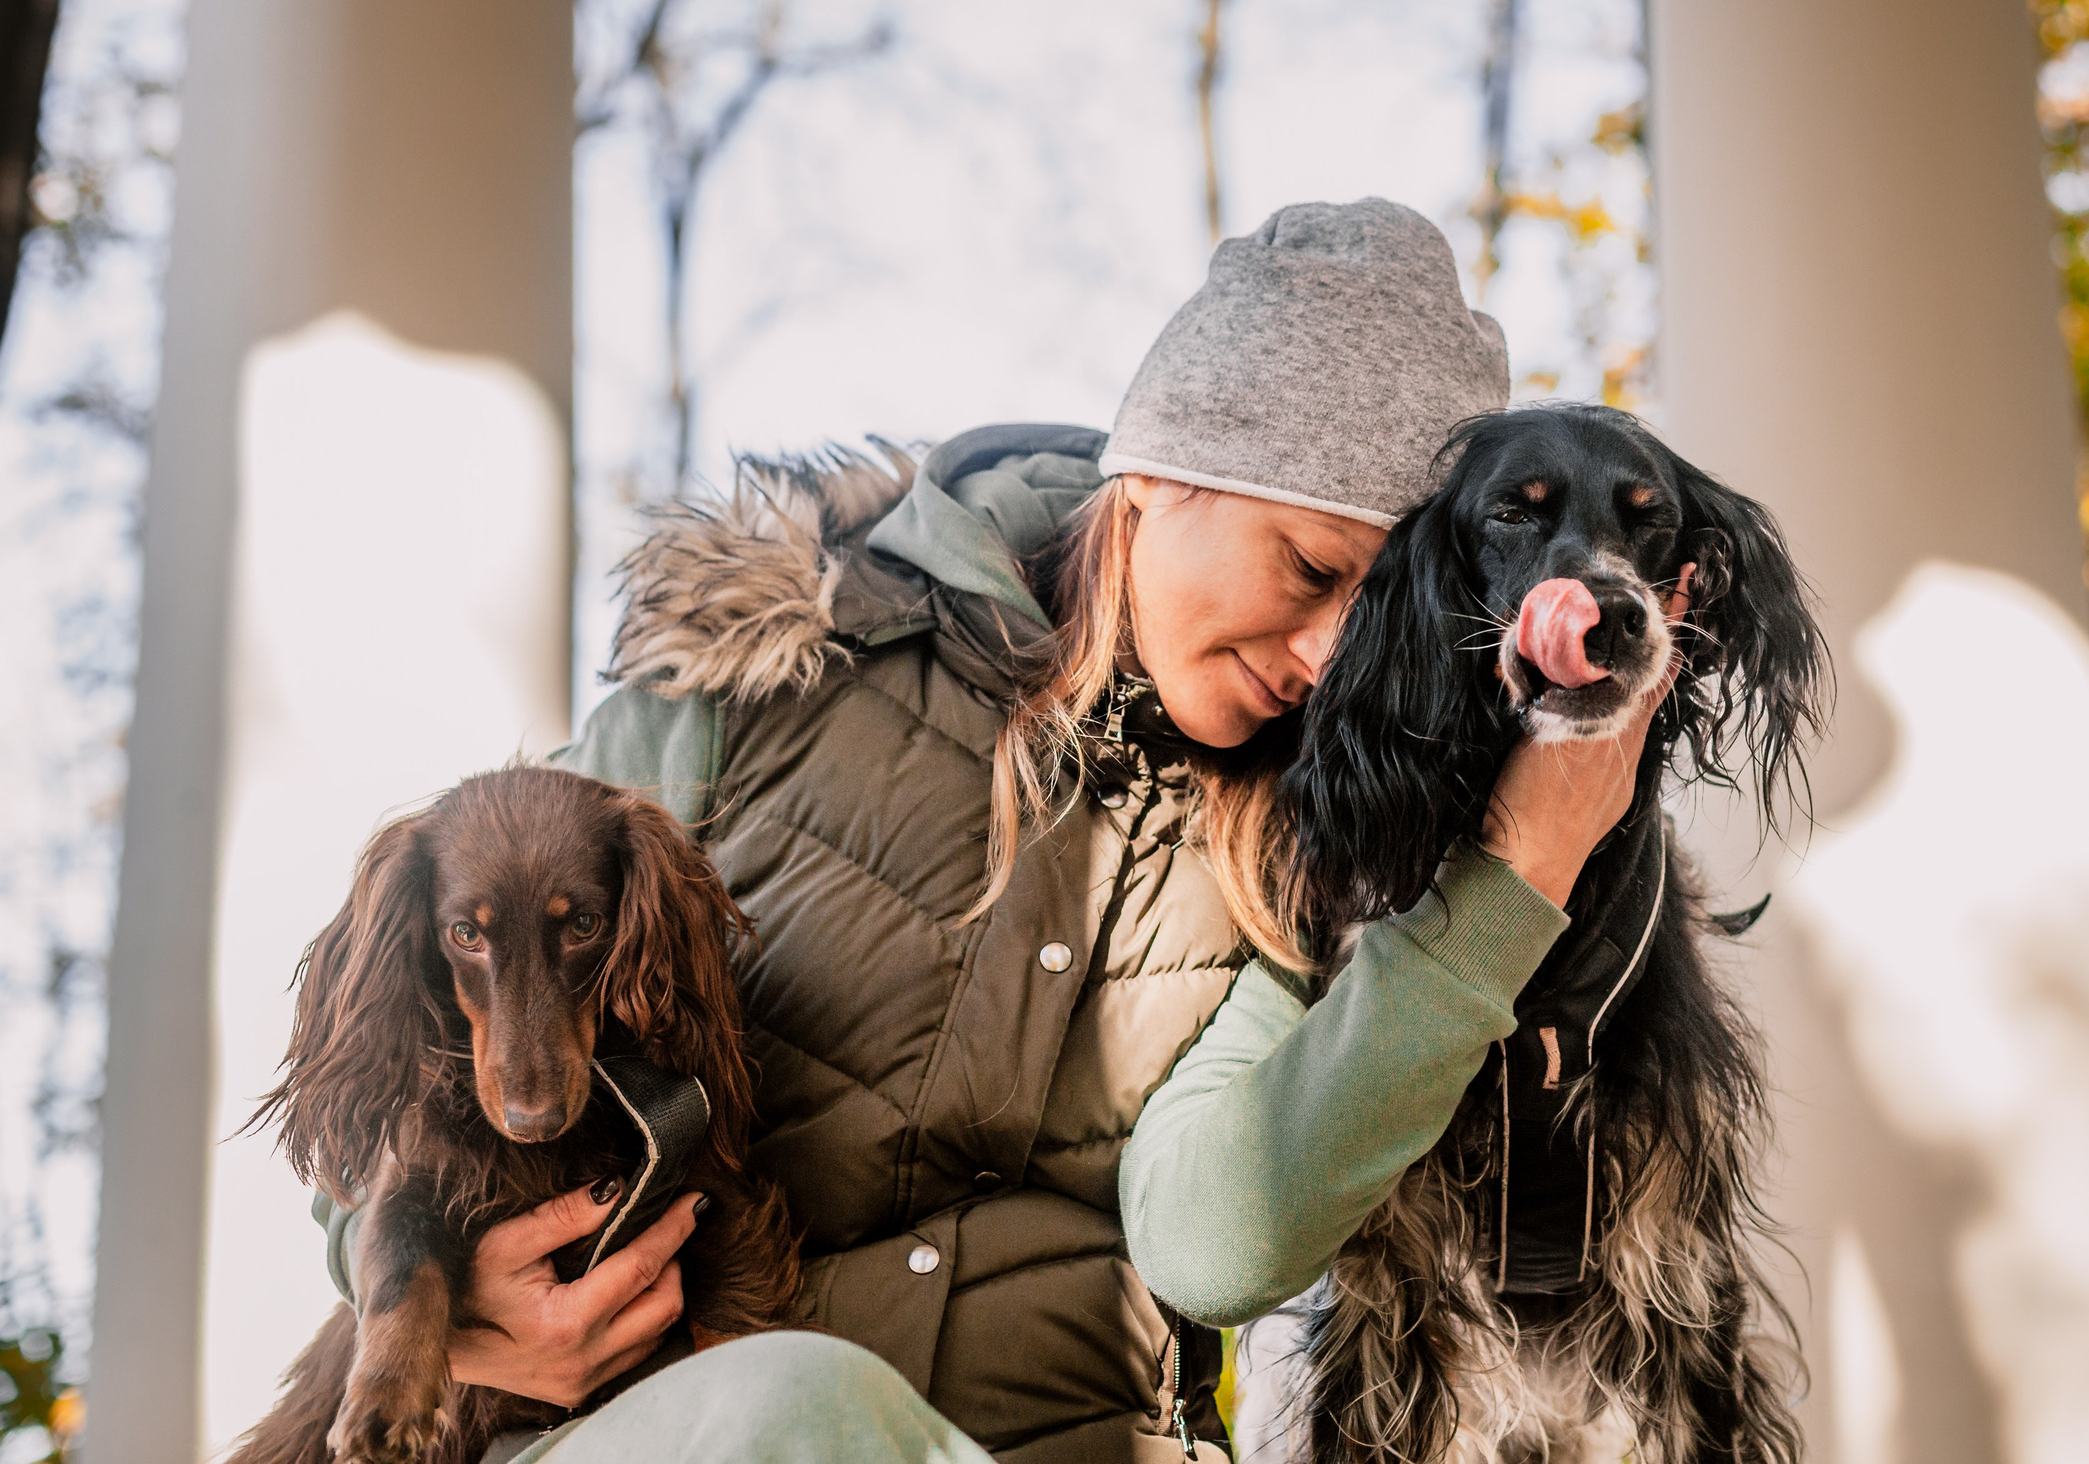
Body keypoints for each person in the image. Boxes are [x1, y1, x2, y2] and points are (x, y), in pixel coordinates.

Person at [302, 198, 1657, 1463]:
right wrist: (449, 1301)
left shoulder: (1308, 840)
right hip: (682, 1436)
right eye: (1309, 570)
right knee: (798, 1406)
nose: (1325, 654)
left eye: (1385, 618)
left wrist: (1513, 880)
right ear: (1164, 473)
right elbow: (390, 1075)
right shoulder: (761, 669)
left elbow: (1215, 1240)